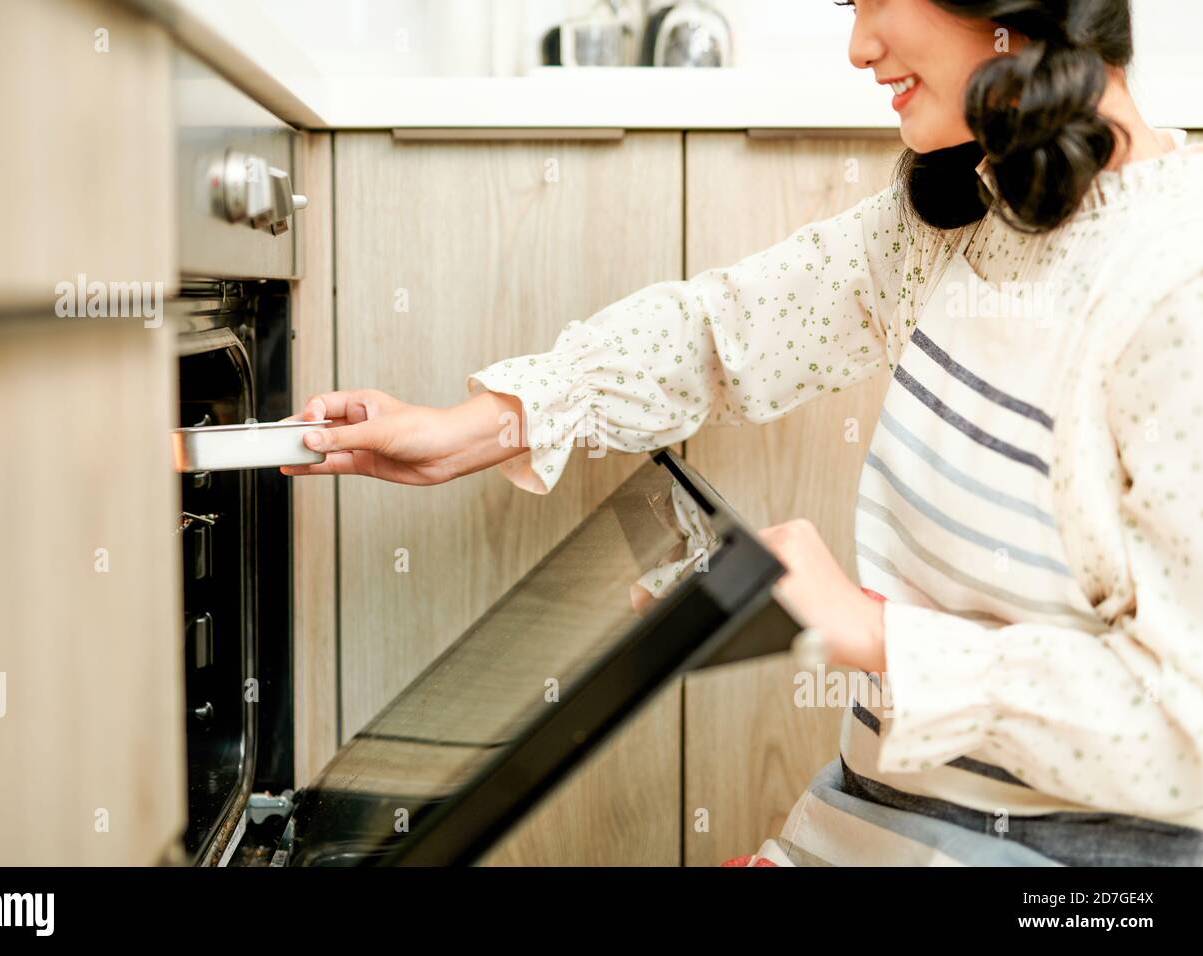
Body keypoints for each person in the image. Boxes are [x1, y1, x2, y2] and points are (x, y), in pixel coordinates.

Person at [284, 0, 1203, 865]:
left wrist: (876, 634)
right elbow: (723, 334)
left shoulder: (1174, 286)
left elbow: (1183, 737)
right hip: (874, 827)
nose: (858, 46)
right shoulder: (963, 214)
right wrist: (471, 428)